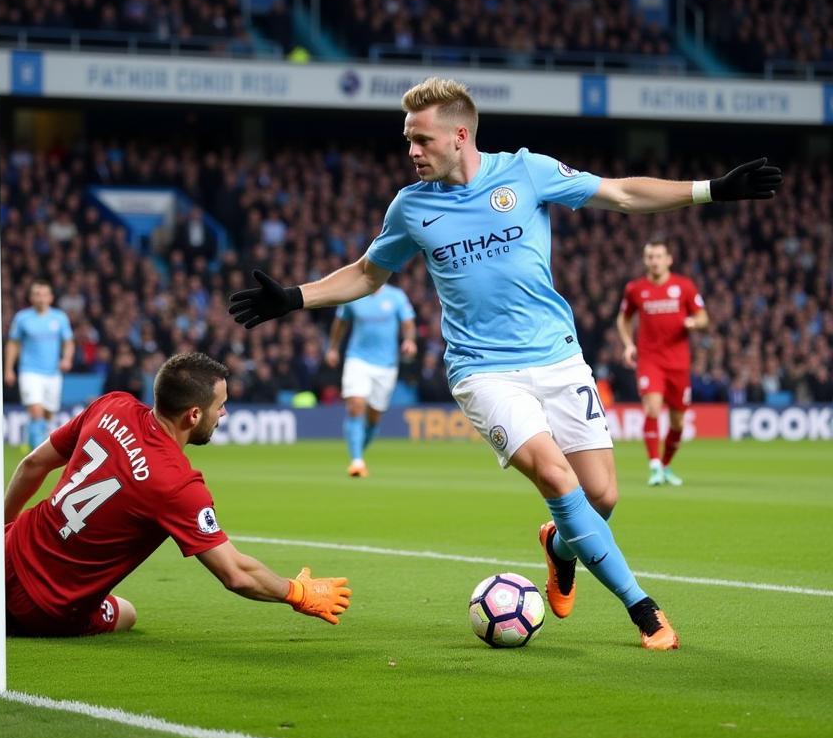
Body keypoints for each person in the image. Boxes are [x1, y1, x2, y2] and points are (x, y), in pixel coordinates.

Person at [229, 76, 781, 651]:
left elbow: (619, 194)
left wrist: (710, 190)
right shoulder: (411, 207)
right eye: (407, 140)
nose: (411, 151)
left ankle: (559, 547)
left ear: (460, 135)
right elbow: (368, 274)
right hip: (482, 370)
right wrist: (295, 297)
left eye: (421, 139)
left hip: (559, 359)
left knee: (603, 497)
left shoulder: (526, 172)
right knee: (555, 475)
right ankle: (644, 609)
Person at [0, 353, 351, 636]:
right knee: (129, 614)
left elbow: (31, 465)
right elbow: (235, 573)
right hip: (52, 606)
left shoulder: (110, 405)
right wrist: (296, 594)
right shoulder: (178, 484)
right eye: (220, 407)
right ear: (193, 415)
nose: (223, 414)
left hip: (12, 547)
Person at [617, 238, 709, 487]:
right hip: (650, 360)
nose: (654, 261)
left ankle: (666, 465)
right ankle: (655, 465)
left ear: (669, 259)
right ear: (645, 260)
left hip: (678, 363)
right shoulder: (636, 289)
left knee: (678, 421)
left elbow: (703, 317)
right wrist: (628, 344)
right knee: (653, 408)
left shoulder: (684, 287)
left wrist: (693, 323)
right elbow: (623, 319)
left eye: (659, 256)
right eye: (650, 257)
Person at [325, 285, 417, 478]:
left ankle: (358, 451)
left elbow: (408, 323)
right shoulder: (354, 294)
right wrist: (333, 348)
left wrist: (409, 340)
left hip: (386, 365)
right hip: (357, 359)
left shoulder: (396, 296)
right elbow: (340, 323)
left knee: (374, 416)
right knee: (356, 406)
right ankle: (357, 461)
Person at [4, 280, 75, 451]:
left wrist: (66, 359)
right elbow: (13, 343)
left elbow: (69, 342)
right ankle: (36, 453)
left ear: (50, 298)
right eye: (37, 294)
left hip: (53, 373)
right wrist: (8, 369)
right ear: (31, 297)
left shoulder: (59, 318)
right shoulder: (22, 318)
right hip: (29, 371)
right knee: (36, 411)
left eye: (44, 294)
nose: (40, 298)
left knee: (48, 414)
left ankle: (32, 436)